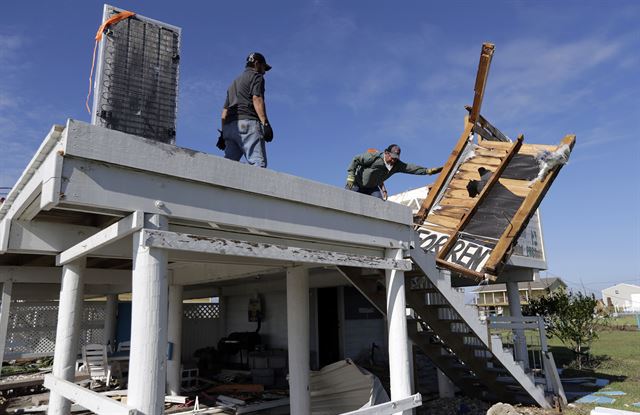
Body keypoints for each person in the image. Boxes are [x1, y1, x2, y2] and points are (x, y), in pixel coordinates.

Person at [218, 52, 274, 168]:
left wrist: (223, 134)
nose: (264, 72)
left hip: (229, 128)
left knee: (228, 166)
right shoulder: (256, 76)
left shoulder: (233, 83)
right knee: (257, 164)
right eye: (264, 67)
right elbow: (256, 98)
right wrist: (266, 124)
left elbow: (224, 112)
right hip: (247, 125)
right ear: (257, 64)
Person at [345, 144, 443, 199]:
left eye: (396, 158)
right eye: (392, 158)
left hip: (371, 188)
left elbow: (411, 168)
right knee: (347, 199)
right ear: (386, 153)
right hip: (357, 184)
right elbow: (356, 159)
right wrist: (350, 176)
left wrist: (427, 171)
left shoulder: (396, 165)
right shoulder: (374, 157)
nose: (393, 161)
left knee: (379, 203)